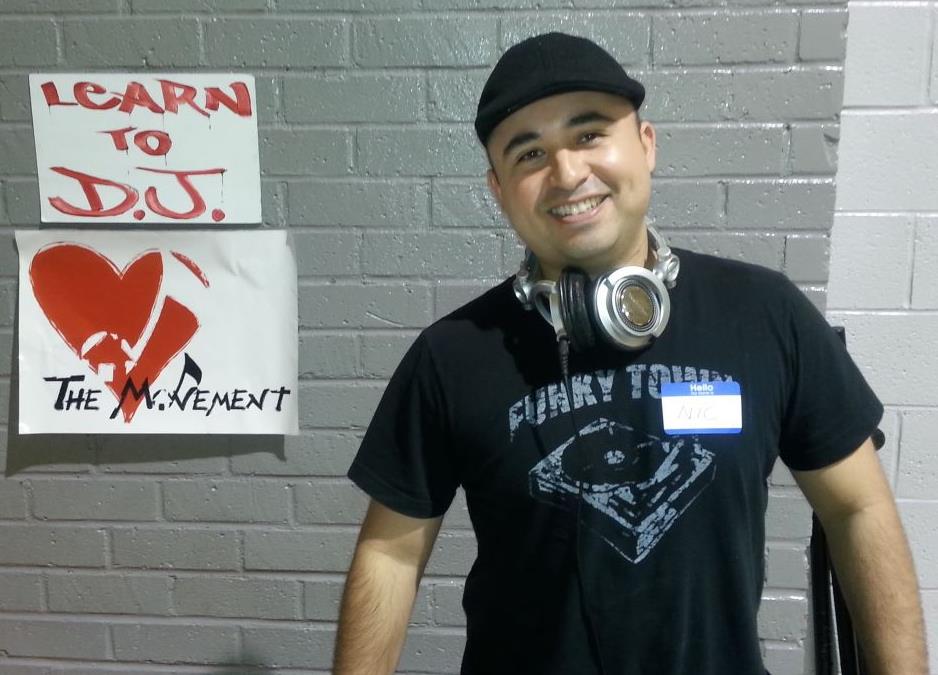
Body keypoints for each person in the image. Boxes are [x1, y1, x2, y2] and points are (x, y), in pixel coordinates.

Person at [333, 32, 927, 675]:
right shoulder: (451, 355)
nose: (567, 174)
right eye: (529, 153)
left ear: (646, 145)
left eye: (589, 134)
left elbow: (857, 508)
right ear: (499, 190)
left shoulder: (765, 312)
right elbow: (389, 557)